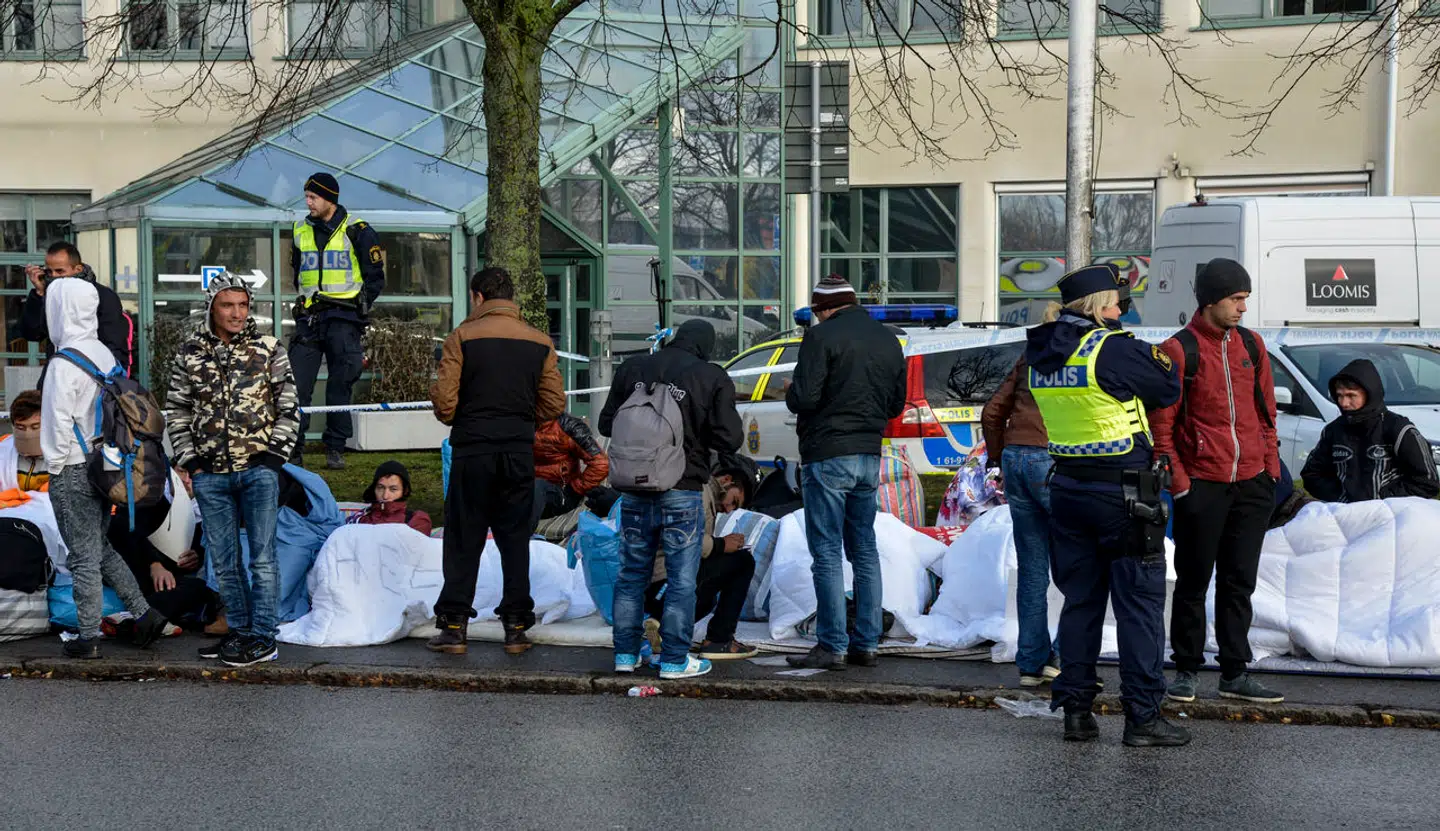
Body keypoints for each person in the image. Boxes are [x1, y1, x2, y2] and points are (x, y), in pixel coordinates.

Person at [1025, 263, 1188, 747]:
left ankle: (1076, 711)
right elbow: (1167, 387)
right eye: (1117, 303)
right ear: (1100, 308)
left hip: (1069, 488)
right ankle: (1142, 718)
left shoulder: (1040, 350)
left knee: (1081, 603)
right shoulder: (1111, 347)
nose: (1122, 311)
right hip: (1124, 494)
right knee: (1138, 607)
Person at [1151, 258, 1284, 707]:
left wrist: (1270, 466)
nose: (1243, 307)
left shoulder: (1252, 344)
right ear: (1211, 300)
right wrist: (1182, 483)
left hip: (1251, 483)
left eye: (1245, 298)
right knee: (1193, 580)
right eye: (1236, 299)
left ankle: (1235, 671)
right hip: (1202, 485)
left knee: (1239, 580)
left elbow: (1266, 410)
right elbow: (1162, 427)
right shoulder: (1178, 349)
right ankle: (1185, 669)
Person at [427, 267, 564, 656]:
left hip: (472, 449)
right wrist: (522, 420)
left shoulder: (461, 337)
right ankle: (517, 628)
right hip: (518, 451)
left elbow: (448, 403)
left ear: (478, 297)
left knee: (463, 539)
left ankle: (454, 628)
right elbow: (555, 402)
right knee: (515, 539)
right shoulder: (539, 341)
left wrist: (443, 401)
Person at [166, 272, 300, 668]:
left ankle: (264, 636)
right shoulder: (190, 353)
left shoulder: (269, 347)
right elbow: (177, 409)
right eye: (228, 305)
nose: (237, 313)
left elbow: (289, 405)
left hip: (258, 469)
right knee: (224, 561)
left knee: (262, 558)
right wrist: (191, 460)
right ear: (212, 307)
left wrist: (274, 457)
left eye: (243, 304)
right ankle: (239, 633)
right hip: (210, 474)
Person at [600, 319, 744, 680]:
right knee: (682, 577)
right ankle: (675, 659)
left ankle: (625, 655)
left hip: (632, 489)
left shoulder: (633, 367)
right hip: (681, 488)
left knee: (631, 575)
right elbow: (730, 438)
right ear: (705, 347)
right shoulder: (709, 375)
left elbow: (606, 423)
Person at [784, 274, 906, 670]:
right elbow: (894, 405)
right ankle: (867, 643)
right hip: (870, 454)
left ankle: (832, 644)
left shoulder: (820, 339)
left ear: (824, 308)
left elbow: (804, 397)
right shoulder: (888, 339)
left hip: (828, 452)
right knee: (864, 549)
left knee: (827, 551)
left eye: (817, 313)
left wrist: (789, 388)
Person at [40, 279, 165, 658]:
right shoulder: (103, 354)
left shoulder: (63, 363)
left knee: (82, 555)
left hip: (73, 467)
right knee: (99, 548)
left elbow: (56, 423)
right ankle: (144, 614)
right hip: (108, 465)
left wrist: (54, 467)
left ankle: (88, 636)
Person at [288, 172, 385, 471]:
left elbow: (375, 277)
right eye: (306, 196)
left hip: (344, 316)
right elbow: (298, 271)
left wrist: (360, 306)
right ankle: (293, 450)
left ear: (329, 198)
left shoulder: (357, 229)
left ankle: (335, 447)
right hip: (310, 316)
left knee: (340, 383)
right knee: (296, 385)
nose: (308, 202)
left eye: (313, 197)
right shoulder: (299, 229)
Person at [981, 353, 1058, 688]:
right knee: (1081, 565)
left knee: (1031, 567)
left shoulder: (1031, 356)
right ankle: (1065, 657)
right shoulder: (1083, 352)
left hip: (1017, 457)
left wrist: (997, 456)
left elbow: (992, 411)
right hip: (1056, 457)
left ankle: (1030, 663)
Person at [642, 472, 758, 660]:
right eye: (734, 501)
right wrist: (721, 545)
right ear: (727, 480)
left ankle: (663, 627)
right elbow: (681, 538)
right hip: (663, 585)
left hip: (656, 588)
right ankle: (719, 641)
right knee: (743, 561)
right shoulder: (699, 492)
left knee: (708, 599)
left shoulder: (703, 495)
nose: (729, 510)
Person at [1300, 358, 1440, 503]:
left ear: (1369, 394)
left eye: (1351, 395)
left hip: (1391, 517)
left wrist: (1383, 500)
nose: (1343, 403)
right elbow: (1311, 474)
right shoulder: (1333, 430)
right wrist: (1340, 497)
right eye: (1339, 395)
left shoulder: (1399, 429)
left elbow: (1427, 482)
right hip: (1346, 516)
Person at [106, 480, 226, 635]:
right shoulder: (151, 499)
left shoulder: (204, 510)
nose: (187, 480)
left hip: (172, 579)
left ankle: (135, 618)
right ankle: (144, 618)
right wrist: (154, 563)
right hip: (137, 569)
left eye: (191, 475)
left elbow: (201, 548)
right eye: (182, 471)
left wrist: (196, 555)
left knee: (198, 589)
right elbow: (127, 531)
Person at [21, 241, 133, 376]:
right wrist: (39, 293)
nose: (54, 276)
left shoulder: (103, 296)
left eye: (60, 271)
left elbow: (114, 344)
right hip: (59, 370)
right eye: (49, 271)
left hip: (93, 375)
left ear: (78, 269)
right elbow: (32, 333)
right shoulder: (51, 293)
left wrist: (110, 381)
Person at [532, 412, 611, 531]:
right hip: (523, 492)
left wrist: (575, 488)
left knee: (536, 486)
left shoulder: (568, 426)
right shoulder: (516, 425)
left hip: (561, 495)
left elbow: (600, 463)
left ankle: (520, 540)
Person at [348, 460, 433, 535]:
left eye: (393, 489)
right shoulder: (360, 518)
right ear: (374, 489)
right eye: (380, 488)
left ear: (405, 491)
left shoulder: (417, 520)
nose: (385, 496)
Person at [1, 390, 48, 493]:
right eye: (21, 427)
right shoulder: (3, 450)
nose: (27, 435)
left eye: (35, 427)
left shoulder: (65, 457)